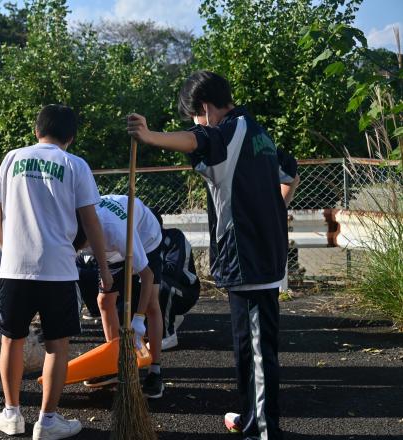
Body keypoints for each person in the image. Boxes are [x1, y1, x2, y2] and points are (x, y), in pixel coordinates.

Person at [127, 70, 300, 440]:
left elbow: (197, 140)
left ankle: (265, 429)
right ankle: (251, 415)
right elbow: (291, 174)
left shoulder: (231, 131)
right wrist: (273, 214)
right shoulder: (258, 133)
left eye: (195, 116)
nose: (196, 124)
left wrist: (148, 136)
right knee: (245, 342)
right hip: (257, 253)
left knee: (255, 346)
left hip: (249, 256)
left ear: (205, 108)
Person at [0, 104, 112, 440]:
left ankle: (11, 413)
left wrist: (5, 247)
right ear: (71, 136)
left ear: (36, 129)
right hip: (57, 268)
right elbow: (91, 222)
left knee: (11, 339)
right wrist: (104, 269)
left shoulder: (13, 157)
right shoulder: (75, 165)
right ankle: (48, 420)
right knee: (57, 345)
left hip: (15, 267)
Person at [73, 195, 166, 399]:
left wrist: (138, 319)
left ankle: (155, 370)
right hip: (111, 252)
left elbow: (147, 276)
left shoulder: (117, 232)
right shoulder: (72, 222)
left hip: (145, 238)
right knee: (104, 301)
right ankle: (116, 363)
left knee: (150, 303)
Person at [153, 211, 200, 351]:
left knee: (159, 283)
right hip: (166, 288)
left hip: (185, 291)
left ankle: (167, 336)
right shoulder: (138, 240)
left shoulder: (174, 236)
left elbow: (173, 270)